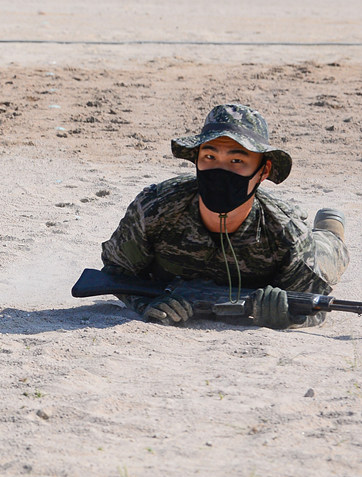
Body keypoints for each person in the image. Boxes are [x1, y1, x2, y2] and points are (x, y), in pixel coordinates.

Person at [100, 103, 349, 330]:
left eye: (237, 160)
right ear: (196, 159)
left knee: (330, 252)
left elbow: (314, 304)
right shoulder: (156, 208)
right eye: (210, 157)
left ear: (264, 171)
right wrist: (144, 303)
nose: (220, 170)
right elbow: (115, 270)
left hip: (312, 247)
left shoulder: (286, 233)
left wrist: (285, 317)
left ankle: (330, 228)